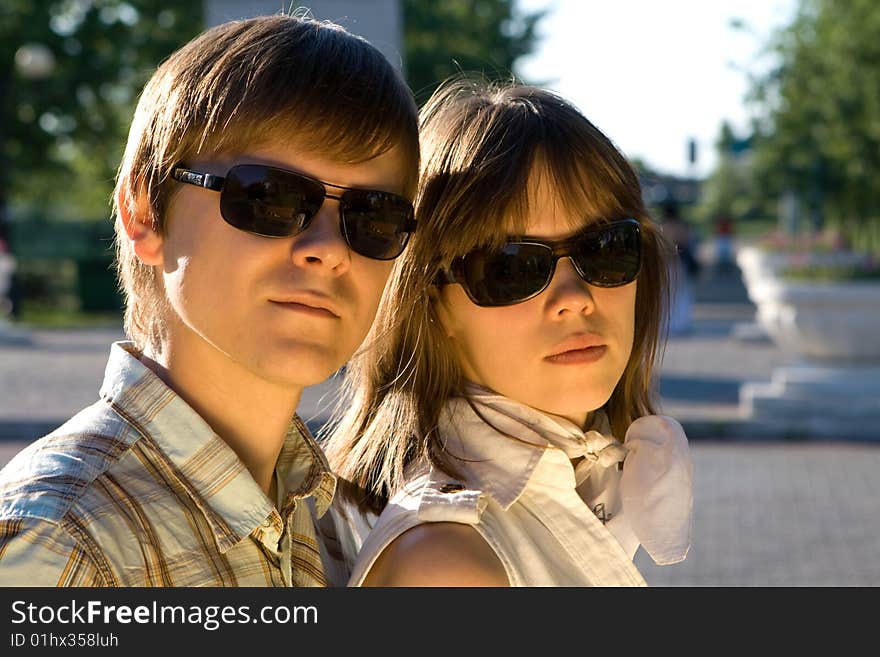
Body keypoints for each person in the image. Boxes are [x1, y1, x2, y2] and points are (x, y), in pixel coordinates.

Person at [0, 14, 419, 586]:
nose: (329, 249)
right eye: (269, 197)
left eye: (374, 216)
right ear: (144, 212)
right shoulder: (64, 544)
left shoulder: (326, 520)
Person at [322, 79, 693, 586]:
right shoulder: (448, 567)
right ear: (433, 302)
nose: (574, 298)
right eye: (510, 267)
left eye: (606, 248)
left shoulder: (584, 483)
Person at [660, 200, 698, 335]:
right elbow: (689, 245)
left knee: (666, 295)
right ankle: (681, 322)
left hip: (666, 263)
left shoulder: (662, 226)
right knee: (680, 293)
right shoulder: (682, 226)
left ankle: (668, 323)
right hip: (680, 263)